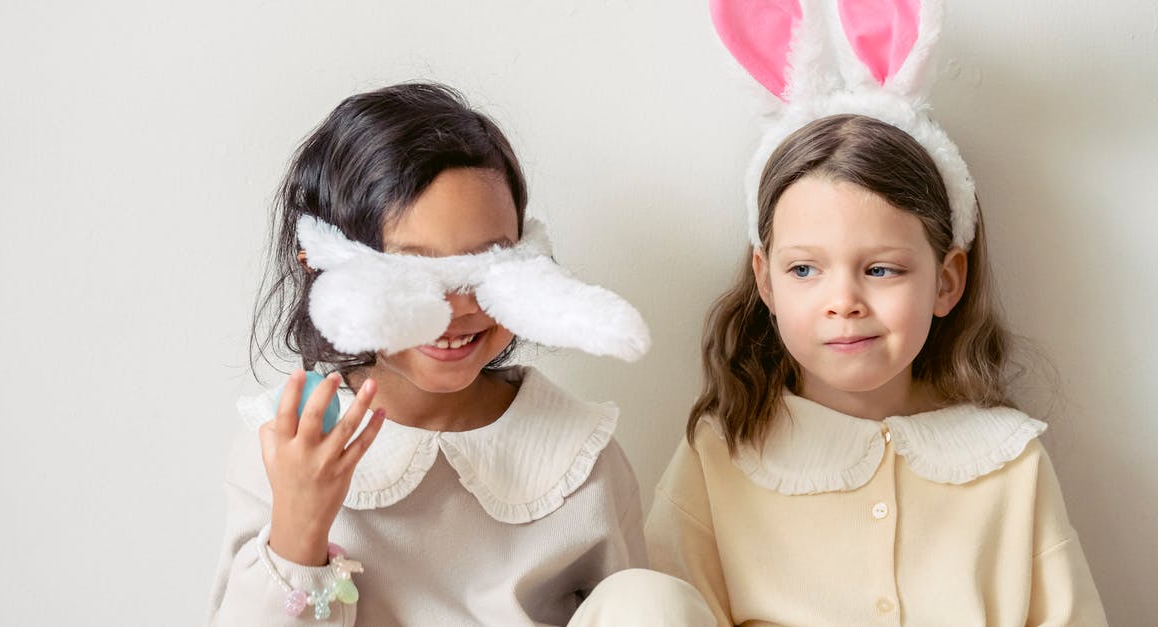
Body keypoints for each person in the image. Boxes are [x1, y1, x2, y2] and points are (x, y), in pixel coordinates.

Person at [645, 1, 1108, 625]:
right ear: (766, 281)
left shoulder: (1009, 460)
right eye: (804, 270)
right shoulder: (720, 453)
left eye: (881, 269)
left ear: (947, 282)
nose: (844, 302)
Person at [207, 82, 653, 625]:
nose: (457, 306)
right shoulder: (286, 444)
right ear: (324, 265)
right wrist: (300, 530)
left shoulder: (580, 457)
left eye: (484, 263)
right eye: (415, 270)